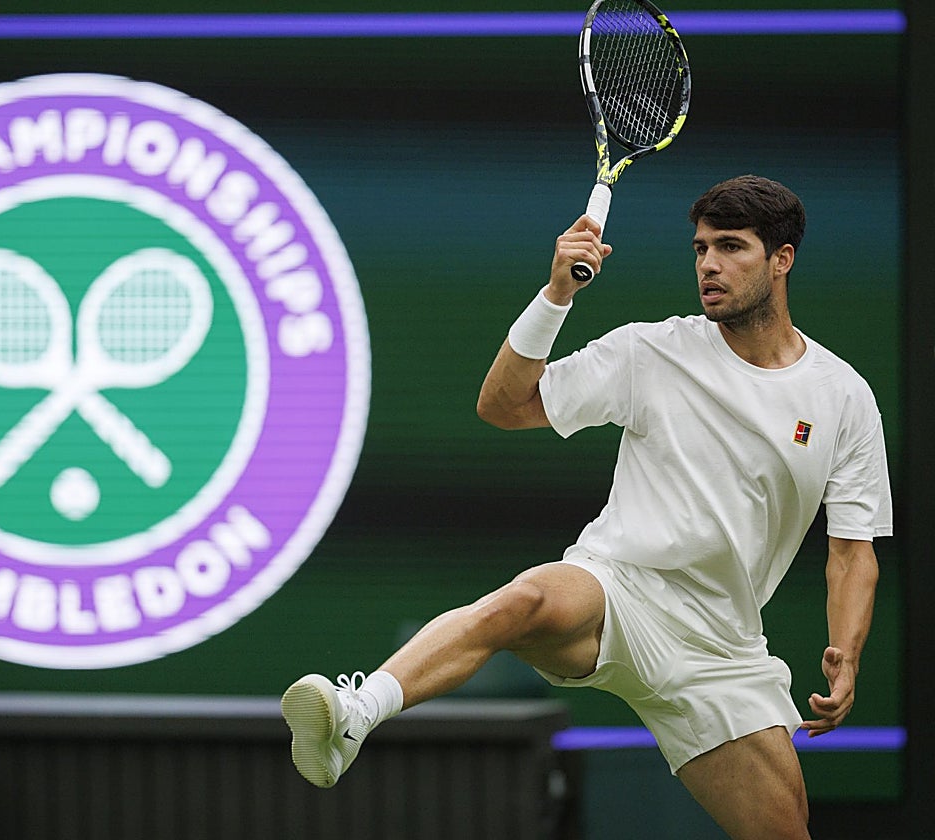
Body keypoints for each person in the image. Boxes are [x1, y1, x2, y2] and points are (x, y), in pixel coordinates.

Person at [280, 175, 892, 839]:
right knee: (524, 601)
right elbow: (503, 406)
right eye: (699, 249)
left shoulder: (842, 397)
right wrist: (557, 295)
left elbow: (852, 552)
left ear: (782, 259)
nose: (708, 265)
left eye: (731, 248)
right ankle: (354, 713)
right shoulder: (649, 351)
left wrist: (847, 650)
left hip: (723, 650)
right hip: (619, 590)